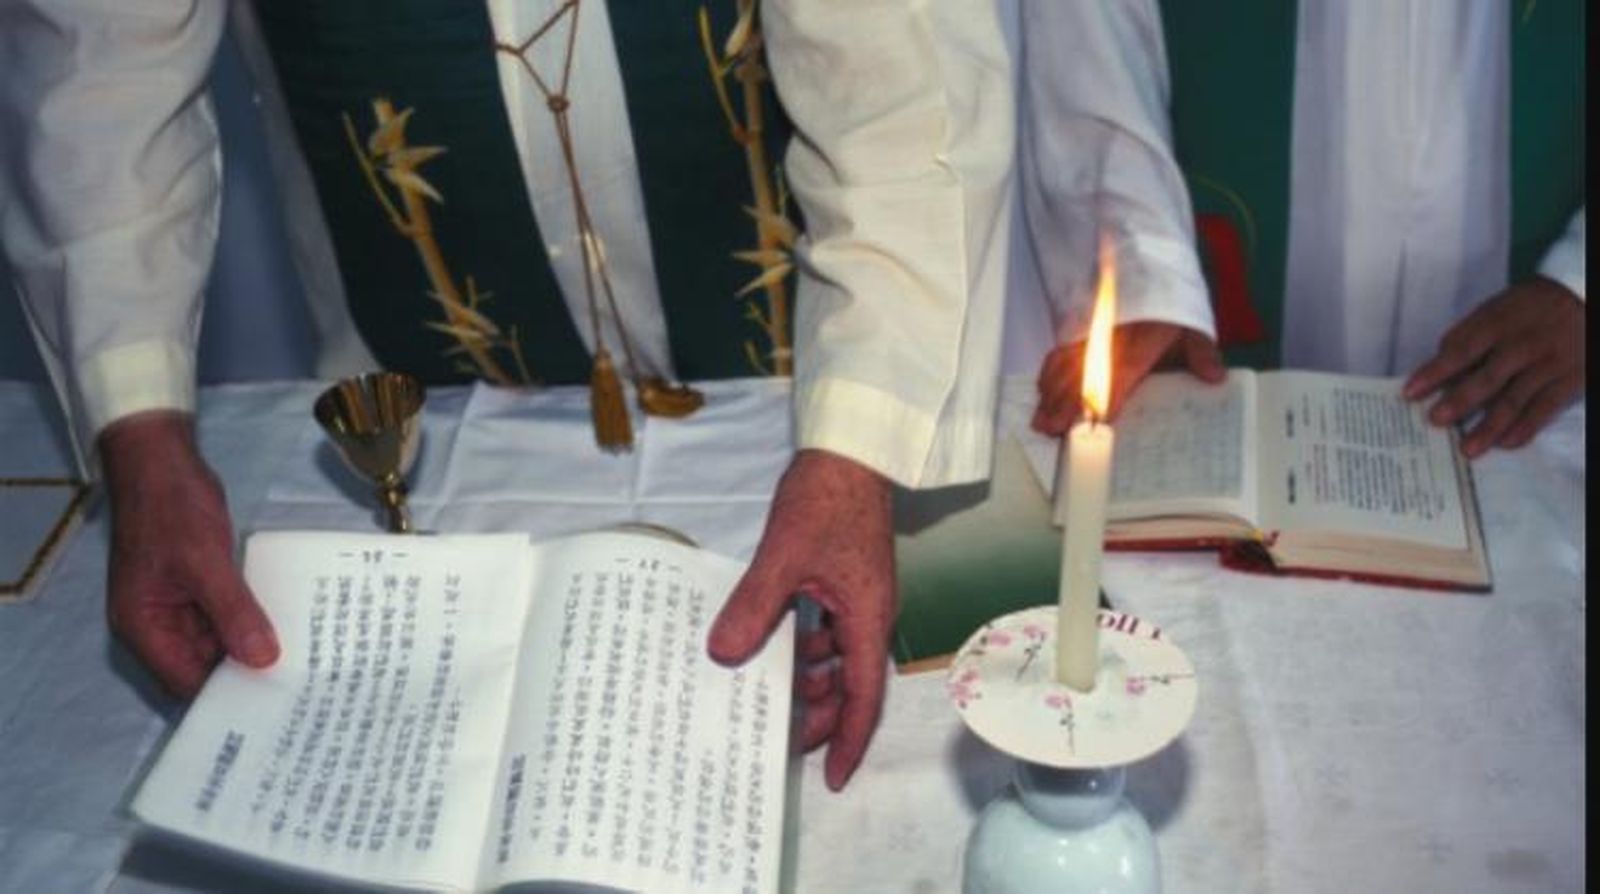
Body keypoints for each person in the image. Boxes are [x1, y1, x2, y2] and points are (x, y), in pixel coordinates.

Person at [0, 0, 1014, 791]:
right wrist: (139, 432)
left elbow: (903, 93)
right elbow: (96, 79)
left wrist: (855, 454)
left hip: (789, 404)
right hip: (427, 412)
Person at [1017, 1, 1585, 449]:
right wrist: (1146, 277)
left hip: (1544, 411)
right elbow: (1095, 46)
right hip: (1225, 388)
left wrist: (1579, 285)